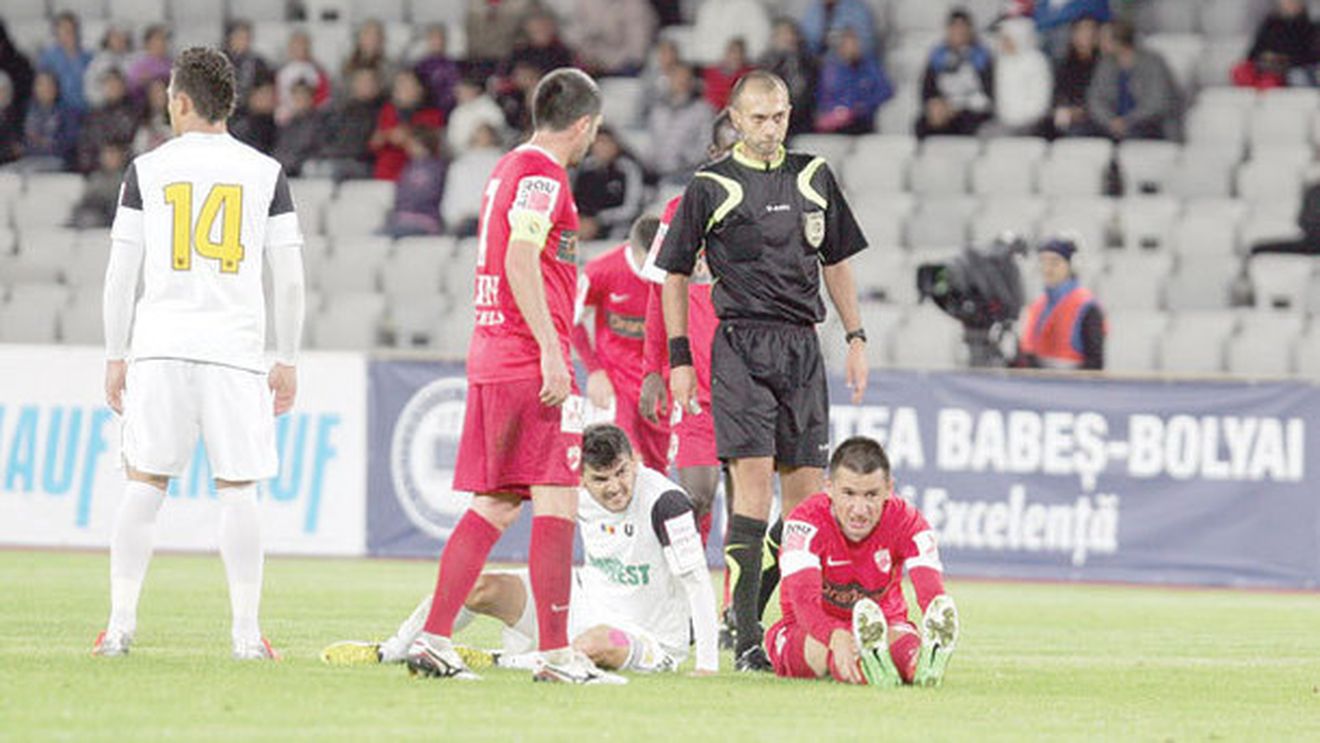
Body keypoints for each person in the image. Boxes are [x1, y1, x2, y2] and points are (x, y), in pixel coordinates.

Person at [94, 46, 306, 660]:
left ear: (180, 101)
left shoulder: (146, 169)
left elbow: (119, 273)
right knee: (238, 491)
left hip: (159, 348)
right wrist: (286, 357)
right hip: (235, 352)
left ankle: (120, 627)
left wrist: (115, 354)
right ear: (229, 104)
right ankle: (245, 636)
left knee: (143, 486)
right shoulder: (265, 172)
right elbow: (289, 277)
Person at [654, 70, 870, 671]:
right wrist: (679, 360)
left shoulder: (814, 175)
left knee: (803, 507)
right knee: (751, 485)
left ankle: (766, 615)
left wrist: (855, 337)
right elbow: (674, 277)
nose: (770, 128)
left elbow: (839, 263)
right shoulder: (710, 186)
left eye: (778, 116)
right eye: (757, 118)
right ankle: (748, 639)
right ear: (735, 119)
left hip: (803, 346)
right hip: (741, 346)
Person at [404, 68, 606, 684]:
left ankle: (434, 638)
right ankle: (554, 652)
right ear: (583, 125)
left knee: (493, 503)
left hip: (492, 353)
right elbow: (522, 255)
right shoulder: (545, 175)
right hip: (528, 359)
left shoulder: (506, 167)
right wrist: (552, 347)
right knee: (557, 499)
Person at [322, 424, 719, 677]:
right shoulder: (568, 487)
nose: (615, 487)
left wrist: (707, 666)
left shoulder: (667, 502)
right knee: (478, 589)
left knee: (596, 644)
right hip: (583, 601)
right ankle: (390, 650)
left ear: (635, 462)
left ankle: (501, 660)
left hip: (648, 638)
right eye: (601, 479)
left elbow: (698, 582)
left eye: (622, 472)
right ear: (580, 476)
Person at [639, 111, 741, 639]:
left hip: (747, 381)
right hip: (695, 386)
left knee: (745, 508)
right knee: (696, 497)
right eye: (727, 146)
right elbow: (660, 293)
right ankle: (687, 605)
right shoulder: (679, 212)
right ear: (711, 152)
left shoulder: (767, 214)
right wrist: (653, 367)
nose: (735, 155)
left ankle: (733, 613)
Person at [766, 436, 959, 687]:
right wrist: (835, 634)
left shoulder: (907, 521)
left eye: (871, 495)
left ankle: (916, 664)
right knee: (821, 654)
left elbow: (932, 594)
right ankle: (892, 665)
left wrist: (934, 614)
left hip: (884, 623)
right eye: (848, 494)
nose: (859, 509)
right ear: (829, 487)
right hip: (812, 627)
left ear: (889, 489)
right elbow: (804, 603)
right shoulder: (803, 524)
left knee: (901, 641)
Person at [572, 215, 668, 472]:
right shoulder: (602, 270)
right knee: (624, 464)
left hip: (661, 383)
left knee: (659, 471)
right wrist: (595, 371)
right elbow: (573, 320)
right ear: (634, 250)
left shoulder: (677, 270)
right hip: (618, 384)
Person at [1016, 236, 1105, 370]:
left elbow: (1095, 362)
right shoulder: (1037, 305)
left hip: (1073, 386)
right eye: (1043, 262)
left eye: (1055, 262)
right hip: (1038, 385)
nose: (1047, 269)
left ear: (1072, 266)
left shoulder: (1087, 306)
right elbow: (1028, 353)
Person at [1085, 20, 1180, 142]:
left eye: (1103, 38)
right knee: (1080, 132)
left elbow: (1157, 103)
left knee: (1134, 136)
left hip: (1147, 124)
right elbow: (1095, 99)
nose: (1098, 42)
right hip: (1112, 124)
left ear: (1118, 41)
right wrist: (1110, 121)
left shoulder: (1153, 62)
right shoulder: (1106, 63)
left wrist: (1127, 121)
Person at [916, 9, 994, 138]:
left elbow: (988, 95)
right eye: (954, 27)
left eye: (963, 27)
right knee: (923, 124)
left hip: (971, 110)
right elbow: (927, 90)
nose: (959, 31)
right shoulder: (938, 56)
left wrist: (956, 108)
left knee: (966, 125)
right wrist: (935, 105)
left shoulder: (982, 57)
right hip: (943, 111)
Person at [303, 67, 383, 180]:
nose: (366, 85)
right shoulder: (342, 110)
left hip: (361, 163)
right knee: (309, 167)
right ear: (354, 84)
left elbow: (365, 147)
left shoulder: (382, 111)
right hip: (334, 158)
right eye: (362, 81)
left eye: (370, 81)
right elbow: (326, 137)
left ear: (377, 85)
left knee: (328, 170)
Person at [814, 27, 892, 135]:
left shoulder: (870, 67)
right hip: (836, 118)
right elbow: (823, 96)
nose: (852, 48)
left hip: (861, 118)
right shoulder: (832, 70)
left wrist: (861, 107)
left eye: (854, 44)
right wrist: (835, 110)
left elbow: (885, 91)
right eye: (847, 45)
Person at [572, 126, 645, 241]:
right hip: (584, 225)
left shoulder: (627, 169)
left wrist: (599, 220)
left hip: (615, 225)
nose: (602, 148)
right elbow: (573, 200)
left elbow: (631, 208)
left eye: (606, 143)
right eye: (598, 143)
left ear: (616, 145)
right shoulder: (584, 169)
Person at [369, 69, 443, 181]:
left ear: (420, 89)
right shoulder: (387, 110)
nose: (402, 89)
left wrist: (406, 138)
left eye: (408, 85)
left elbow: (431, 147)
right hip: (386, 173)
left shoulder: (433, 114)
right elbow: (374, 145)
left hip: (417, 175)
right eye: (399, 85)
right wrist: (383, 137)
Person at [647, 63, 715, 183]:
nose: (681, 81)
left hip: (687, 173)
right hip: (658, 172)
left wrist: (685, 159)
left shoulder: (703, 110)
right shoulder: (658, 110)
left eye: (686, 78)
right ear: (669, 79)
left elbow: (707, 145)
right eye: (677, 77)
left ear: (693, 82)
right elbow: (652, 142)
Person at [989, 17, 1052, 136]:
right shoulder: (1002, 61)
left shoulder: (1036, 61)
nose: (1003, 43)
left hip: (1030, 122)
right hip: (1005, 121)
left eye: (1007, 39)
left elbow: (1040, 103)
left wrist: (1019, 120)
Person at [1233, 0, 1317, 89]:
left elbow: (1310, 56)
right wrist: (1266, 58)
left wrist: (1284, 60)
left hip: (1290, 70)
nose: (1290, 5)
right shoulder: (1269, 25)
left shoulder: (1308, 27)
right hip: (1266, 67)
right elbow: (1254, 52)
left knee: (1295, 77)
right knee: (1242, 71)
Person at [563, 0, 657, 76]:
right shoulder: (585, 3)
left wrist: (607, 64)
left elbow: (637, 53)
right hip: (591, 67)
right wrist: (591, 59)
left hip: (624, 71)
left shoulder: (636, 5)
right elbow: (574, 37)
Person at [383, 126, 446, 237]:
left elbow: (430, 194)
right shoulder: (408, 167)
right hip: (401, 219)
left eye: (412, 143)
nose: (409, 147)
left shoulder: (437, 168)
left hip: (425, 220)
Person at [760, 18, 818, 136]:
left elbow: (807, 91)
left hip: (801, 116)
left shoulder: (807, 62)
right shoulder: (765, 64)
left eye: (789, 33)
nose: (787, 38)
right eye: (782, 34)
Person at [76, 69, 139, 173]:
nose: (113, 88)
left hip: (127, 171)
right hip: (98, 172)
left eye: (116, 84)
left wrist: (120, 157)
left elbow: (138, 144)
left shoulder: (135, 114)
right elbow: (85, 147)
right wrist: (100, 160)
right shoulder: (94, 116)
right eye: (109, 84)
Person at [1050, 15, 1102, 138]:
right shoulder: (1064, 64)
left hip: (1093, 117)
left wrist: (1081, 111)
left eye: (1090, 30)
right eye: (1081, 30)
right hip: (1066, 115)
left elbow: (1104, 98)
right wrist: (1060, 109)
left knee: (1077, 131)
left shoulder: (1103, 64)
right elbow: (1057, 95)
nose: (1086, 35)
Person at [15, 70, 77, 172]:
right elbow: (18, 141)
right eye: (41, 85)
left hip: (56, 160)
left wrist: (42, 146)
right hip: (27, 159)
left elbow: (69, 141)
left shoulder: (67, 112)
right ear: (34, 88)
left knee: (31, 172)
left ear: (57, 88)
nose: (46, 89)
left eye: (50, 84)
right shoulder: (25, 110)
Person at [38, 11, 91, 113]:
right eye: (64, 29)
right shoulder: (48, 57)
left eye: (72, 28)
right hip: (58, 113)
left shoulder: (88, 57)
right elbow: (42, 88)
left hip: (85, 111)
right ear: (56, 32)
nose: (69, 32)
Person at [274, 30, 330, 126]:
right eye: (296, 45)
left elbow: (324, 98)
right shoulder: (281, 72)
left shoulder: (317, 71)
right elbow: (276, 95)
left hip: (312, 119)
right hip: (285, 119)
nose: (300, 49)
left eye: (303, 45)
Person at [446, 74, 507, 156]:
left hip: (488, 154)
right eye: (457, 92)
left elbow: (497, 135)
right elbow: (452, 141)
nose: (458, 95)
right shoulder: (457, 112)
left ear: (474, 90)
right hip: (462, 157)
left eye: (461, 91)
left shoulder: (490, 108)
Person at [72, 142, 127, 228]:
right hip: (95, 216)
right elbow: (86, 201)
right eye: (106, 154)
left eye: (112, 154)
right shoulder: (96, 178)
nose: (108, 158)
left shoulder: (126, 179)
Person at [272, 81, 321, 176]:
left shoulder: (318, 122)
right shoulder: (288, 125)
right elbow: (281, 148)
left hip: (303, 165)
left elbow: (310, 147)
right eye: (296, 96)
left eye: (303, 95)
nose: (300, 99)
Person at [799, 0, 879, 57]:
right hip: (817, 67)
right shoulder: (813, 9)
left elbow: (868, 44)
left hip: (848, 66)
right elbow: (808, 42)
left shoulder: (857, 8)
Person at [413, 24, 461, 115]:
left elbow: (455, 88)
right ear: (428, 41)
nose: (437, 42)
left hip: (448, 111)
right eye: (434, 39)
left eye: (440, 39)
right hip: (425, 111)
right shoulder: (420, 66)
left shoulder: (452, 65)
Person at [223, 20, 271, 107]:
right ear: (230, 38)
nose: (244, 41)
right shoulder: (219, 61)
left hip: (250, 111)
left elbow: (265, 88)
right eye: (240, 37)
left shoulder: (258, 63)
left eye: (247, 38)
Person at [510, 12, 575, 75]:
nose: (541, 31)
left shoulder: (562, 52)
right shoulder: (520, 52)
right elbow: (505, 75)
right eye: (536, 30)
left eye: (544, 28)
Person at [85, 24, 132, 109]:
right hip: (102, 108)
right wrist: (107, 97)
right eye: (115, 37)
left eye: (122, 37)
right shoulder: (98, 61)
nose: (119, 40)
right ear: (108, 39)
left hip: (127, 107)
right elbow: (89, 89)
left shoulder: (132, 60)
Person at [702, 37, 753, 112]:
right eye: (733, 52)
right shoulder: (709, 72)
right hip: (710, 112)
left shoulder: (750, 74)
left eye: (740, 52)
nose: (736, 56)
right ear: (726, 53)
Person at [125, 25, 172, 98]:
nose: (161, 43)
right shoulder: (139, 66)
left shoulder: (172, 65)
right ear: (147, 43)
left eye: (163, 39)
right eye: (157, 39)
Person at [132, 77, 172, 154]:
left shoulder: (178, 119)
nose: (157, 95)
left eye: (160, 91)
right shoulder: (141, 119)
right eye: (153, 92)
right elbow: (138, 148)